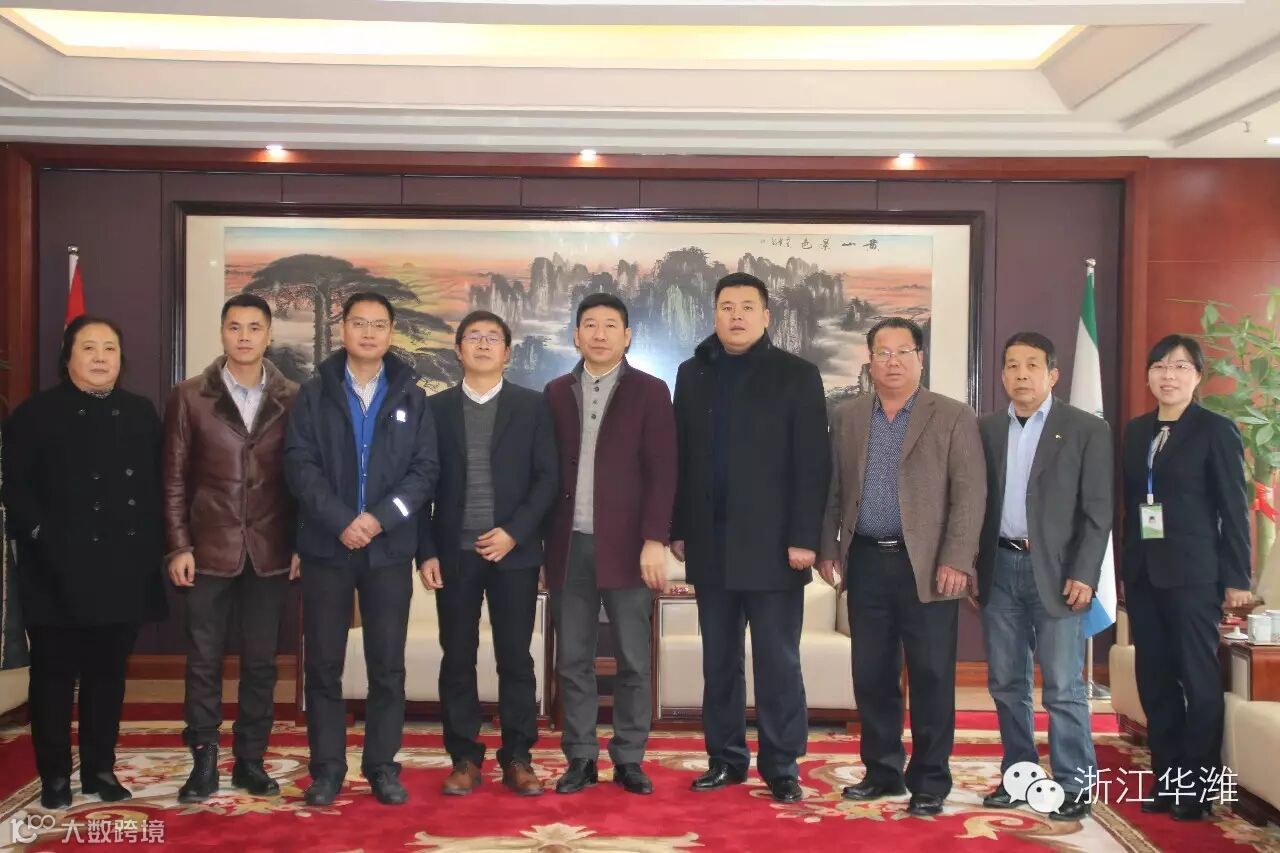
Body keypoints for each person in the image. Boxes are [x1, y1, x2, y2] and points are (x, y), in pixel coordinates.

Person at [671, 272, 831, 804]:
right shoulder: (692, 373)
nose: (735, 315)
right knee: (719, 660)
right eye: (726, 306)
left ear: (766, 316)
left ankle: (782, 764)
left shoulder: (797, 374)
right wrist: (678, 529)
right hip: (710, 546)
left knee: (778, 661)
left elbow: (813, 463)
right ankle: (725, 759)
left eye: (746, 306)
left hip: (775, 548)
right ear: (714, 315)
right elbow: (681, 458)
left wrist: (805, 537)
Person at [818, 316, 985, 817]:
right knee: (872, 672)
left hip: (929, 565)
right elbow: (832, 489)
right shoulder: (848, 416)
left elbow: (970, 493)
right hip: (867, 559)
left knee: (932, 674)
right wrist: (828, 548)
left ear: (920, 359)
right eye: (883, 353)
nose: (892, 362)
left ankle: (930, 780)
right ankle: (882, 771)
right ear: (869, 361)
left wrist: (957, 558)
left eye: (903, 352)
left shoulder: (952, 415)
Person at [1, 316, 167, 809]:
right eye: (89, 347)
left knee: (107, 676)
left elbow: (156, 485)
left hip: (122, 567)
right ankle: (55, 776)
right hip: (55, 569)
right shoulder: (36, 413)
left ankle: (99, 769)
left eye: (109, 348)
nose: (100, 357)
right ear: (68, 356)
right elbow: (15, 488)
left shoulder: (140, 412)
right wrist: (41, 536)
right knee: (53, 679)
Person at [285, 292, 439, 807]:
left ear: (390, 332)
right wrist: (341, 521)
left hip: (388, 550)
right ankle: (327, 769)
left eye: (378, 324)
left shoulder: (413, 396)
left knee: (387, 665)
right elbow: (299, 466)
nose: (368, 333)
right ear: (343, 328)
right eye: (359, 323)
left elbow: (425, 472)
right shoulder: (313, 393)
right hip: (327, 548)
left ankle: (381, 766)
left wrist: (378, 519)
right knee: (323, 665)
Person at [163, 293, 300, 803]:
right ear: (222, 333)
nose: (244, 336)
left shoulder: (293, 397)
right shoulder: (189, 396)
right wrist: (179, 545)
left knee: (261, 663)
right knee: (203, 660)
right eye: (235, 327)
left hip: (271, 549)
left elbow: (302, 478)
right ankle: (202, 761)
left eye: (254, 327)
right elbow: (173, 479)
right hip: (207, 549)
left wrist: (301, 543)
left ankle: (250, 761)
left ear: (269, 335)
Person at [417, 311, 558, 797]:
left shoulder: (532, 406)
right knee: (457, 657)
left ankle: (518, 757)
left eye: (492, 338)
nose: (482, 344)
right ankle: (464, 757)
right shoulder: (434, 409)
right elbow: (420, 485)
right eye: (472, 337)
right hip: (453, 554)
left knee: (515, 658)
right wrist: (425, 551)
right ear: (458, 349)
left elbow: (547, 479)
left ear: (507, 352)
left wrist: (514, 533)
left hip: (513, 555)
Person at [543, 292, 676, 797]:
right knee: (572, 659)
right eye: (590, 325)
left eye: (610, 325)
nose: (599, 334)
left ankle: (629, 757)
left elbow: (663, 471)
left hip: (628, 547)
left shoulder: (650, 391)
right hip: (567, 546)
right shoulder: (555, 393)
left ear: (627, 336)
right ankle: (580, 757)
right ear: (576, 335)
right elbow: (543, 472)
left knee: (633, 660)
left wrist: (654, 539)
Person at [975, 332, 1112, 820]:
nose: (1021, 374)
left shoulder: (1085, 429)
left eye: (1032, 365)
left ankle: (1075, 783)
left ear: (1053, 374)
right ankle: (1020, 776)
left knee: (1062, 685)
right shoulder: (986, 429)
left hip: (1058, 574)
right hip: (999, 567)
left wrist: (1085, 573)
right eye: (1012, 365)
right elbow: (974, 504)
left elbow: (1098, 511)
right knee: (1006, 683)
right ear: (1002, 376)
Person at [1121, 334, 1251, 821]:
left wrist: (1237, 578)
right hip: (1144, 575)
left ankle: (1200, 788)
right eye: (1159, 366)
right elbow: (1132, 505)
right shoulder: (1137, 431)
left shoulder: (1216, 430)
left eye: (1179, 367)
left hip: (1195, 576)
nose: (1168, 376)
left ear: (1197, 376)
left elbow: (1234, 509)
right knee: (1154, 680)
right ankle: (1169, 780)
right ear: (1149, 375)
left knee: (1198, 681)